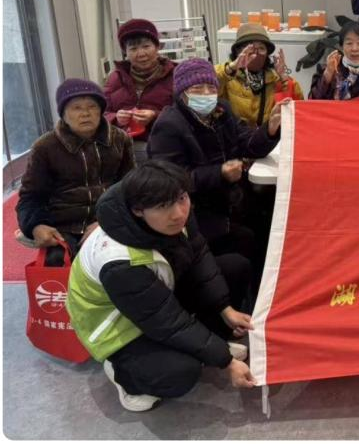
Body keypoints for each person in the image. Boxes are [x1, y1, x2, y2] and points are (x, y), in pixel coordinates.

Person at [67, 160, 256, 412]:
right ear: (138, 210)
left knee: (234, 267)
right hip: (117, 324)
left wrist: (225, 309)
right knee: (181, 372)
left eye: (182, 198)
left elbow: (198, 254)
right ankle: (124, 375)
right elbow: (164, 321)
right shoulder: (119, 261)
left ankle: (209, 343)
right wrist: (227, 362)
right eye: (163, 206)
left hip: (154, 294)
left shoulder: (174, 213)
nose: (178, 213)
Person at [146, 58, 280, 262]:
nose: (206, 94)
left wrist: (269, 130)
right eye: (197, 89)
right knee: (247, 240)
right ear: (182, 93)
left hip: (231, 198)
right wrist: (219, 173)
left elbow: (247, 142)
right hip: (198, 211)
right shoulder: (168, 126)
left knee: (271, 215)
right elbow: (171, 180)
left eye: (211, 88)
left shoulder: (222, 111)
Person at [16, 79, 134, 265]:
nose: (85, 113)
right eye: (76, 108)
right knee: (56, 262)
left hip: (108, 217)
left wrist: (107, 221)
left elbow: (130, 188)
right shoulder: (45, 147)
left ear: (101, 110)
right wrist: (36, 225)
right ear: (63, 113)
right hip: (62, 224)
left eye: (92, 106)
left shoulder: (120, 139)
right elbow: (31, 196)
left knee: (120, 261)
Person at [215, 22, 303, 127]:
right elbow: (209, 84)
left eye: (261, 48)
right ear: (238, 51)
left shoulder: (273, 79)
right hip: (234, 135)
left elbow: (295, 109)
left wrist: (284, 77)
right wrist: (231, 68)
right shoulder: (228, 76)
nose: (256, 53)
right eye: (251, 48)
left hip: (264, 135)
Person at [103, 19, 175, 144]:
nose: (141, 54)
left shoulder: (175, 75)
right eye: (133, 48)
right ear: (125, 52)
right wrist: (116, 118)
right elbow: (101, 113)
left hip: (165, 145)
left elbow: (186, 114)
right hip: (124, 147)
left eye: (146, 46)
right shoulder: (115, 78)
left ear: (157, 47)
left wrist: (155, 115)